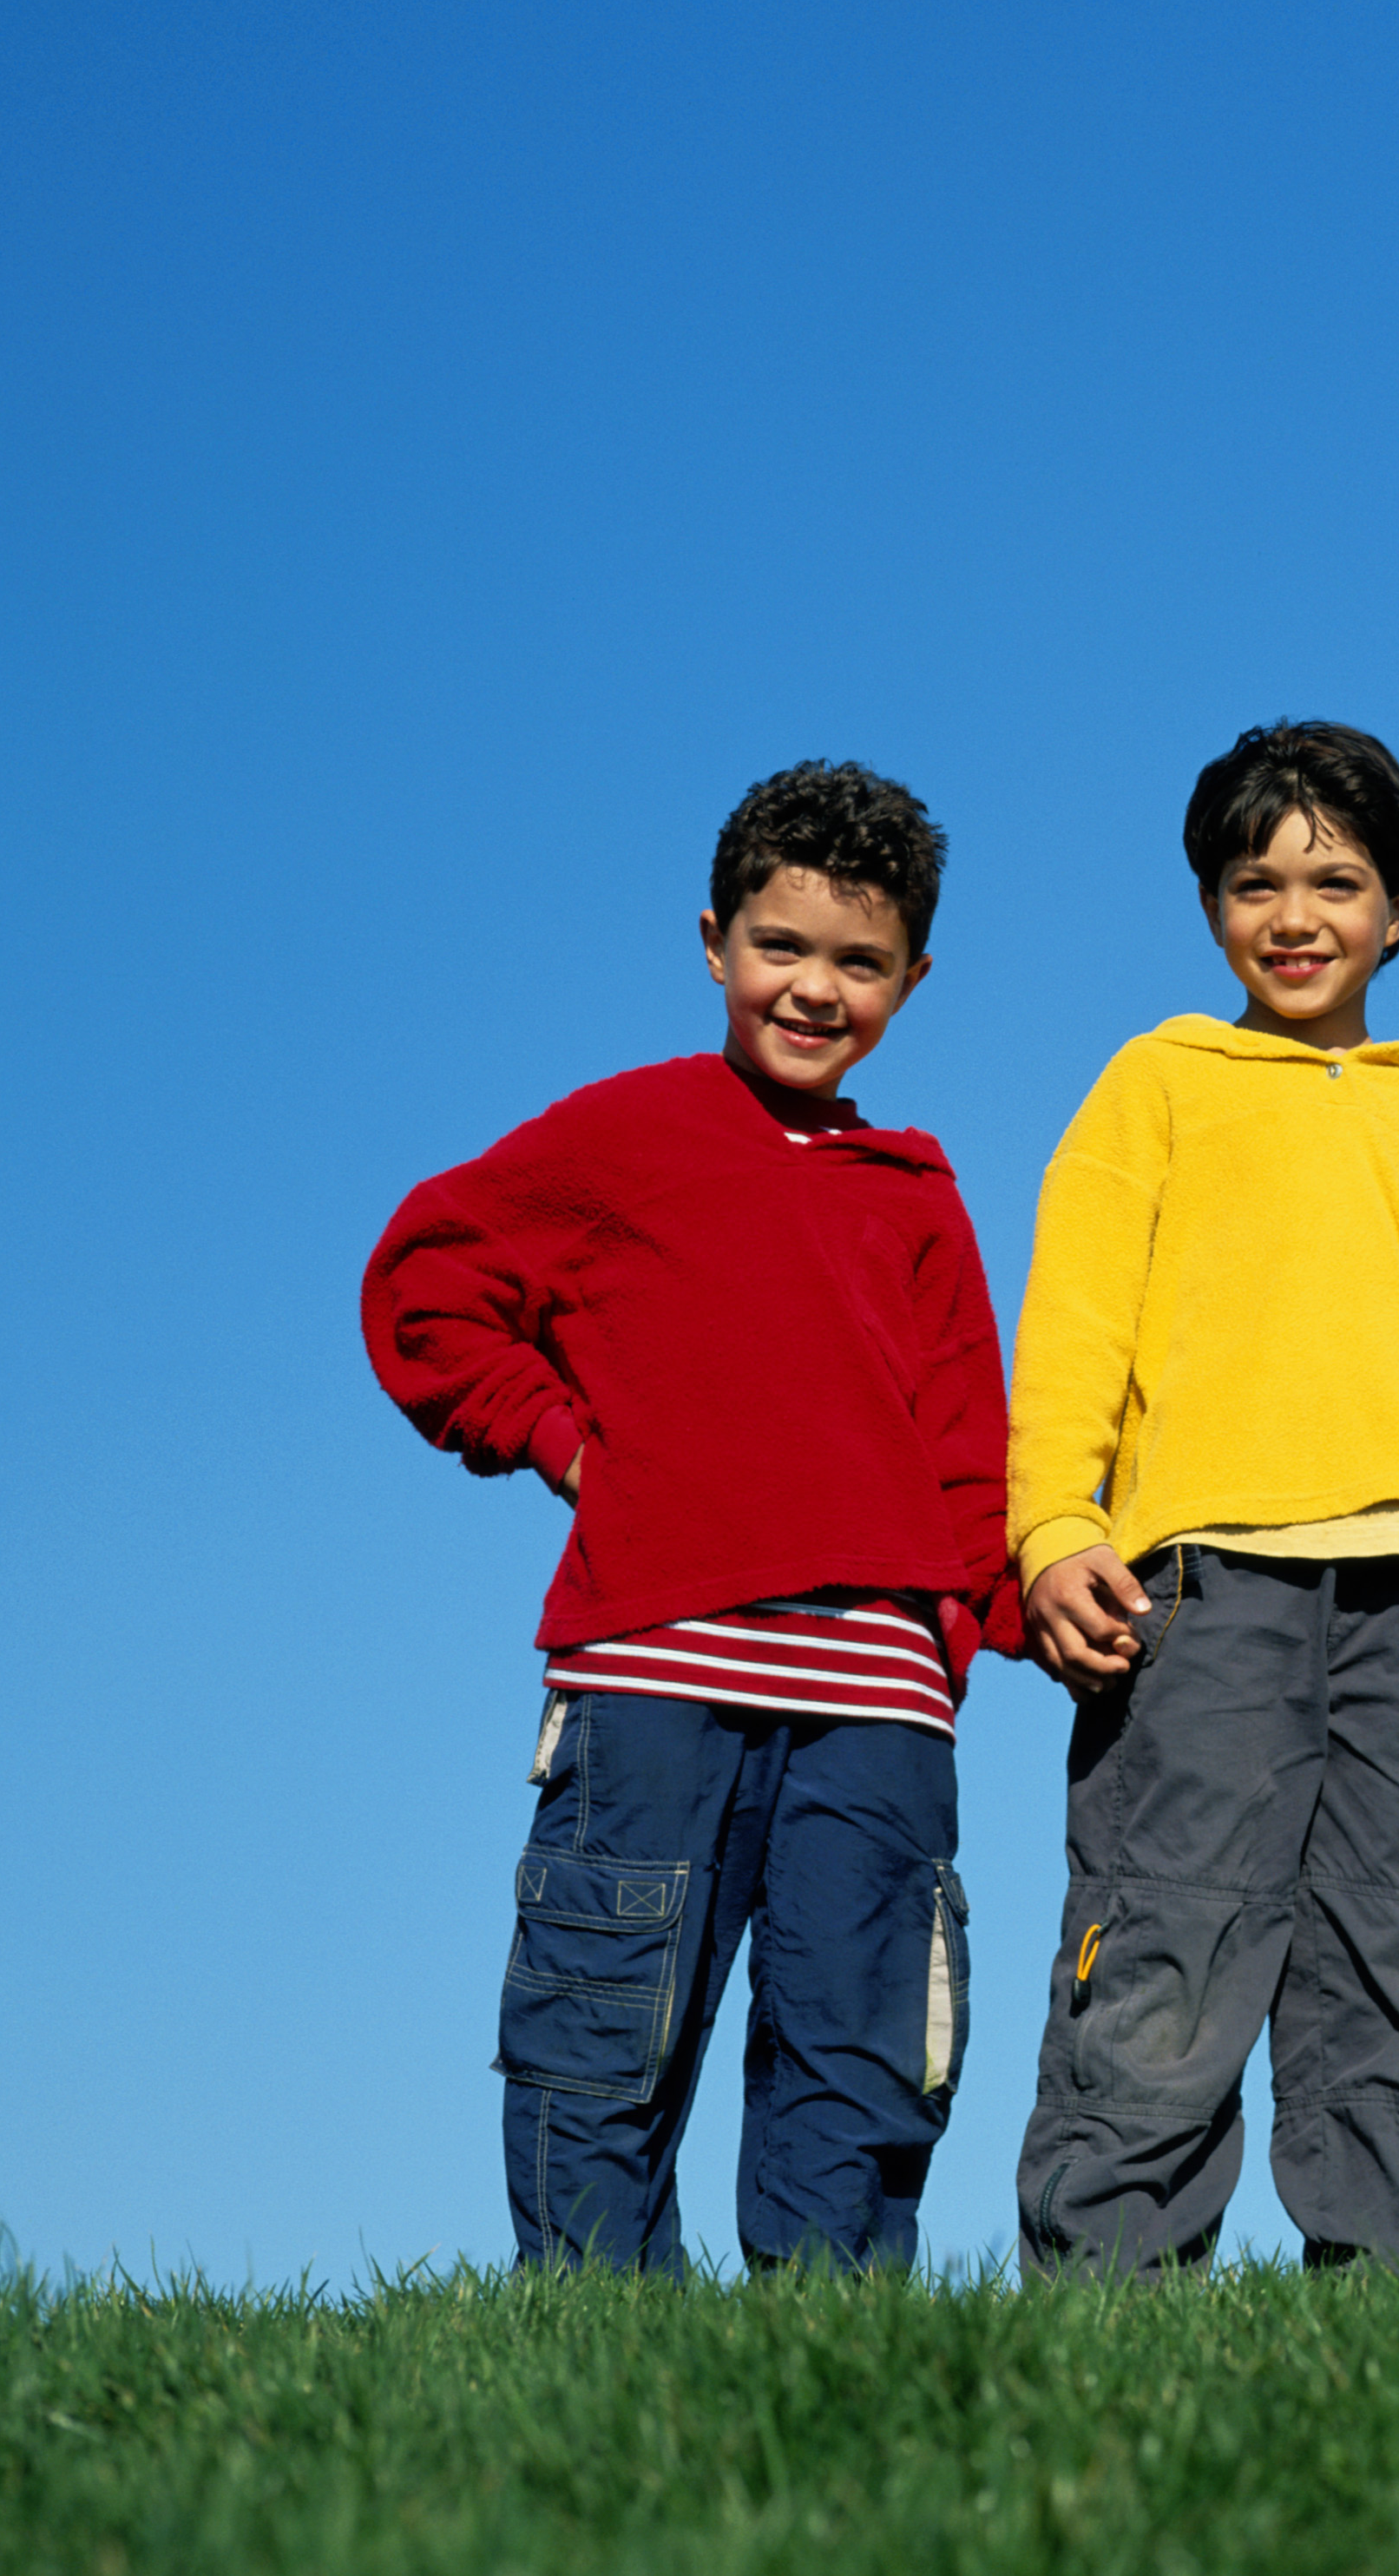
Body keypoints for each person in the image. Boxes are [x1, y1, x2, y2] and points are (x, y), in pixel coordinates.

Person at [361, 759, 1008, 2272]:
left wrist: (996, 1611)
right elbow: (426, 1279)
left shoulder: (915, 1191)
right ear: (714, 940)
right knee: (603, 2032)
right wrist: (558, 1439)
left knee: (860, 2056)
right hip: (656, 1670)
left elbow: (971, 1450)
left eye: (859, 963)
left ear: (913, 977)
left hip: (879, 1707)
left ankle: (826, 2376)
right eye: (781, 948)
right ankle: (602, 2354)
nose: (813, 989)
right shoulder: (622, 1137)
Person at [1005, 720, 1399, 2275]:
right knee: (1172, 1926)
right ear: (1210, 910)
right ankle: (1106, 2305)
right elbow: (1074, 1327)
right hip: (1210, 1580)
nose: (1296, 913)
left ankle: (1393, 2319)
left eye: (1336, 880)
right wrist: (1054, 1524)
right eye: (1256, 881)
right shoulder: (1158, 1082)